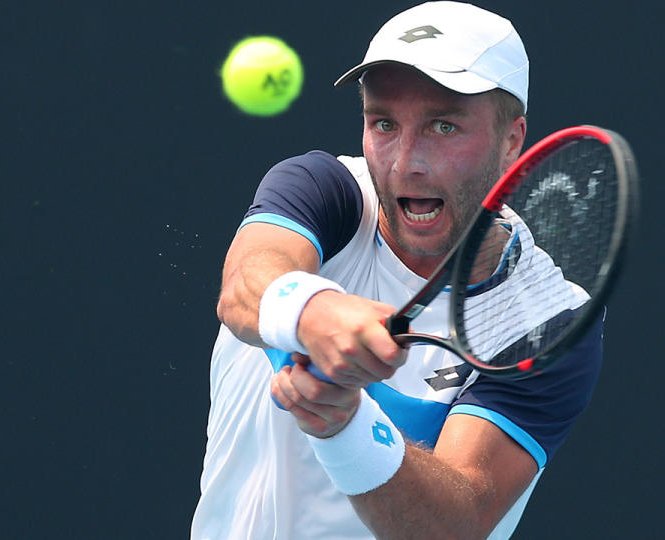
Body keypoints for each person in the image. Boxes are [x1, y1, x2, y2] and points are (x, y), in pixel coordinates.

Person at [191, 2, 603, 539]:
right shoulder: (323, 192)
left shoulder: (548, 321)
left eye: (443, 126)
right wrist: (317, 313)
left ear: (511, 141)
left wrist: (347, 424)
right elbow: (246, 285)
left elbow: (456, 523)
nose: (406, 160)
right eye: (383, 123)